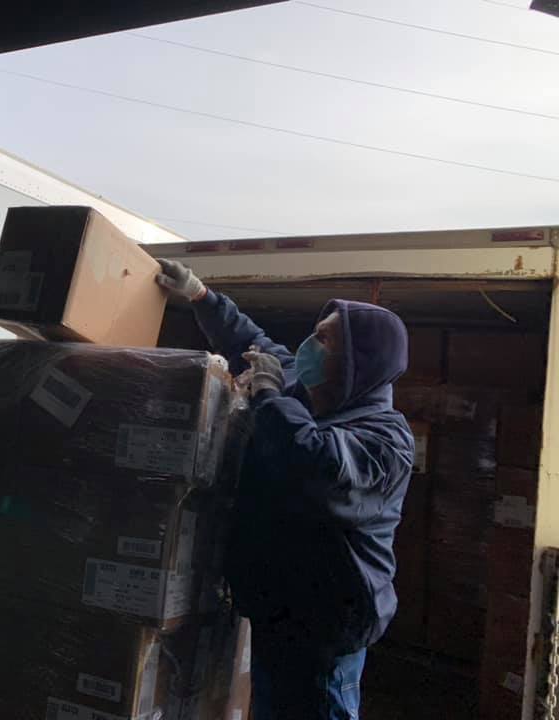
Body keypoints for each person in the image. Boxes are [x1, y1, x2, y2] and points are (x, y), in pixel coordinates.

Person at [156, 259, 414, 720]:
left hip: (327, 631)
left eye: (323, 339)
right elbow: (251, 344)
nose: (308, 347)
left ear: (357, 361)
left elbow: (315, 469)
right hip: (280, 612)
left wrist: (268, 396)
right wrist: (201, 296)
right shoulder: (308, 390)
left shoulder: (386, 438)